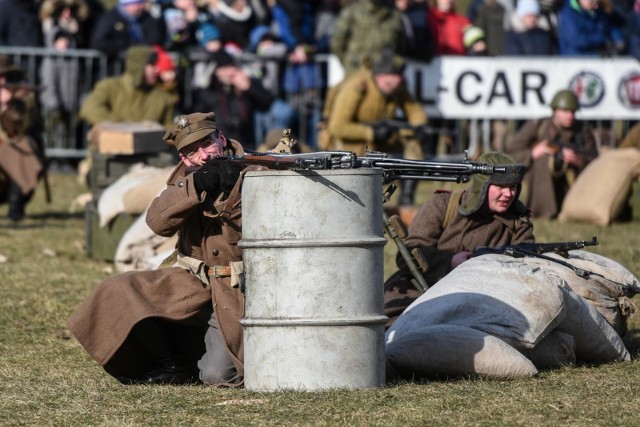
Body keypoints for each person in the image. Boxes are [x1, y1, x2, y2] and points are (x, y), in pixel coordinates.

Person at [67, 111, 266, 385]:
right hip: (194, 283)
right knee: (118, 290)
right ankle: (172, 364)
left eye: (207, 143)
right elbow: (157, 221)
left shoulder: (257, 171)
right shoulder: (189, 178)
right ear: (183, 158)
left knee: (217, 376)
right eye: (192, 152)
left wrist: (243, 189)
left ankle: (205, 357)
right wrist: (197, 185)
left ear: (221, 138)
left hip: (238, 290)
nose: (203, 156)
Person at [383, 151, 534, 325]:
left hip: (483, 301)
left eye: (513, 187)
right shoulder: (443, 205)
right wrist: (450, 262)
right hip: (422, 291)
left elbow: (525, 269)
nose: (508, 194)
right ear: (482, 185)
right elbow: (408, 254)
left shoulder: (518, 222)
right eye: (500, 187)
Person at [326, 49, 427, 205]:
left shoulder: (397, 87)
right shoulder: (358, 86)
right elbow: (337, 126)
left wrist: (418, 126)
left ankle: (406, 199)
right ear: (379, 75)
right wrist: (371, 133)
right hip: (350, 145)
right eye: (389, 81)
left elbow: (414, 109)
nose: (394, 84)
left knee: (413, 145)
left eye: (398, 79)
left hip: (380, 142)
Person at [505, 89, 598, 219]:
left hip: (572, 180)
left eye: (573, 112)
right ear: (555, 111)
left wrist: (579, 160)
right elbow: (512, 149)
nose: (570, 115)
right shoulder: (538, 125)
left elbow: (595, 158)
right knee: (542, 160)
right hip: (541, 177)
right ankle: (543, 210)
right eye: (565, 111)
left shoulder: (583, 130)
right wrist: (532, 153)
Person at [192, 49, 273, 150]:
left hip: (246, 144)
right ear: (216, 71)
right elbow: (197, 114)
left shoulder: (244, 85)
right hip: (219, 145)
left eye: (231, 67)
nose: (229, 72)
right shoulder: (209, 90)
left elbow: (267, 103)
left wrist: (249, 88)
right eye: (224, 68)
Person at [79, 45, 177, 128]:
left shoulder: (162, 96)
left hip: (148, 148)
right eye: (151, 65)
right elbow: (89, 108)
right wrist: (122, 126)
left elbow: (169, 126)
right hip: (113, 146)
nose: (156, 70)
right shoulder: (110, 86)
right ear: (138, 66)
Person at [0, 63, 45, 222]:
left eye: (5, 76)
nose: (2, 80)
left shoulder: (24, 97)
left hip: (12, 154)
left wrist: (8, 107)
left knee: (20, 150)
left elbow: (21, 129)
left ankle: (15, 208)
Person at [330, 0, 406, 77]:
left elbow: (400, 46)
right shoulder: (353, 11)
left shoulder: (394, 15)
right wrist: (348, 62)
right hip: (356, 71)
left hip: (384, 74)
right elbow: (337, 42)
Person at [90, 0, 165, 61]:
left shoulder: (146, 18)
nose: (141, 7)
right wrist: (124, 48)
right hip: (114, 67)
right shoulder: (109, 18)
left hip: (143, 65)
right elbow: (98, 42)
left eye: (141, 3)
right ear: (127, 5)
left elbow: (155, 38)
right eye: (137, 4)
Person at [557, 0, 624, 56]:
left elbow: (609, 27)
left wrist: (618, 39)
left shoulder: (597, 11)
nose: (596, 6)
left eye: (597, 2)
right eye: (592, 2)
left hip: (597, 58)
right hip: (575, 60)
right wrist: (602, 39)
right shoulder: (568, 14)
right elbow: (578, 40)